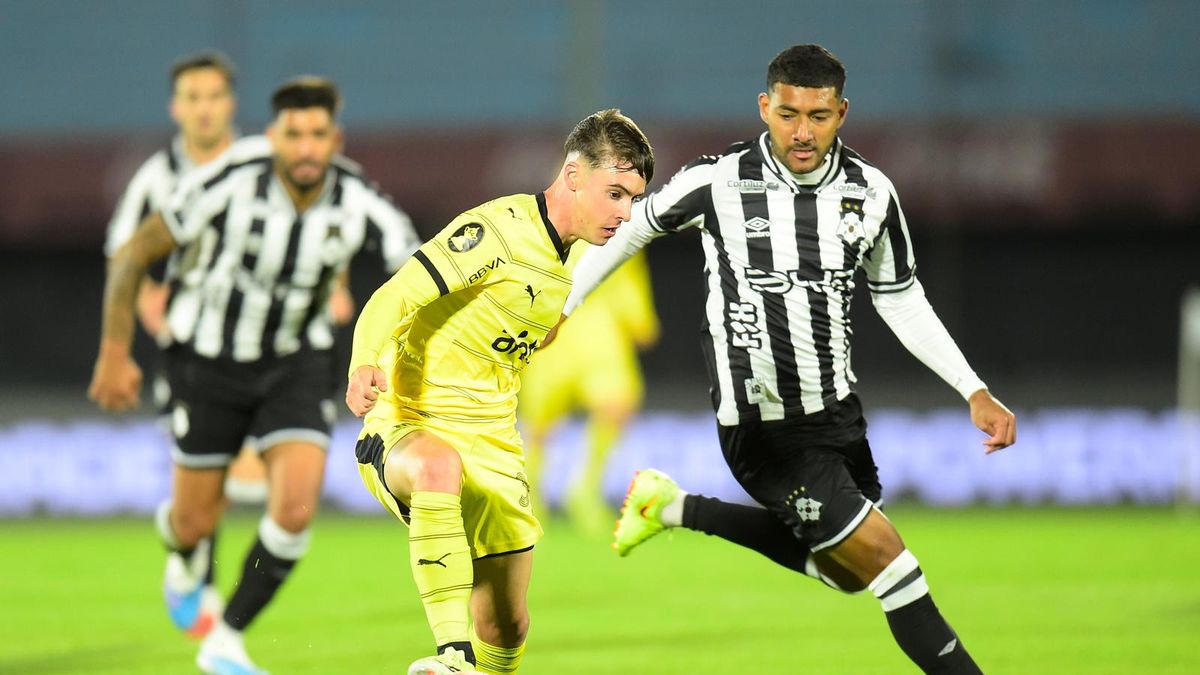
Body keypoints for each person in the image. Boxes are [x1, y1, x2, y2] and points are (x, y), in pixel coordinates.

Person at [560, 45, 1016, 674]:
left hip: (836, 417)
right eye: (788, 113)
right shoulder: (719, 180)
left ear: (842, 113)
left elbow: (901, 298)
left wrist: (973, 389)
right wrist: (562, 305)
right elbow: (634, 226)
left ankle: (671, 507)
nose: (802, 132)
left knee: (848, 574)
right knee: (893, 567)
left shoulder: (871, 193)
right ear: (764, 107)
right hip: (762, 426)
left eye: (819, 116)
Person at [89, 76, 419, 675]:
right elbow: (136, 251)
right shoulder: (229, 182)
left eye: (318, 134)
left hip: (296, 365)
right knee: (195, 521)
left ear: (334, 139)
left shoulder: (357, 199)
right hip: (208, 364)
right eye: (293, 134)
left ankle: (227, 638)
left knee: (294, 510)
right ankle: (181, 543)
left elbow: (421, 273)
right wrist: (115, 351)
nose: (305, 148)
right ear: (273, 137)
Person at [345, 108, 654, 675]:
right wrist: (363, 361)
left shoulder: (576, 265)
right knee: (437, 469)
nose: (623, 212)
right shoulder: (496, 232)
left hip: (494, 438)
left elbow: (525, 327)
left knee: (508, 625)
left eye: (632, 199)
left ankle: (478, 660)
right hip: (412, 419)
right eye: (615, 194)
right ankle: (450, 657)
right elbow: (397, 293)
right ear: (572, 174)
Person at [517, 249, 658, 532]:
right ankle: (529, 496)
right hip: (548, 321)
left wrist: (638, 313)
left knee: (617, 403)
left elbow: (627, 265)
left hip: (599, 324)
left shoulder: (618, 221)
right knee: (540, 422)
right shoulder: (535, 218)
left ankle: (585, 489)